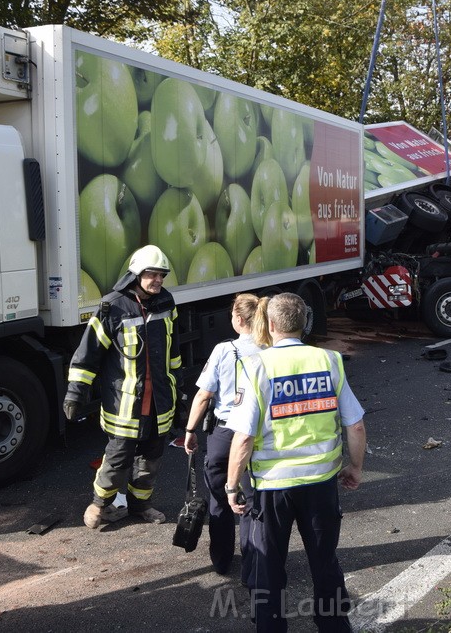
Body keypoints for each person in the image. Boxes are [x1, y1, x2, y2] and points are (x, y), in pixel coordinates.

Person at [225, 293, 366, 632]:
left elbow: (243, 438)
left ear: (271, 325)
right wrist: (355, 468)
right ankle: (334, 627)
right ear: (305, 324)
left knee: (268, 568)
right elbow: (356, 425)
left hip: (272, 488)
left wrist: (232, 486)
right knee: (324, 562)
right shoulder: (330, 361)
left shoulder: (256, 366)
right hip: (320, 483)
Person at [63, 245, 182, 529]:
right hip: (124, 405)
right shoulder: (112, 307)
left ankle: (141, 505)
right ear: (136, 274)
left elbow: (173, 355)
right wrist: (75, 394)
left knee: (150, 459)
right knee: (117, 460)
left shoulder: (167, 304)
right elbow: (88, 353)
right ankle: (98, 505)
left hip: (159, 403)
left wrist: (181, 397)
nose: (158, 281)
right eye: (152, 275)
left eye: (161, 275)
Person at [183, 293, 271, 574]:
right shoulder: (270, 350)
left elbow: (203, 396)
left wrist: (190, 430)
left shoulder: (223, 350)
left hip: (223, 435)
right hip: (256, 437)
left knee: (220, 501)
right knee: (249, 500)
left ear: (237, 319)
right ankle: (252, 562)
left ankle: (221, 560)